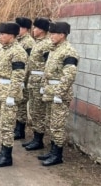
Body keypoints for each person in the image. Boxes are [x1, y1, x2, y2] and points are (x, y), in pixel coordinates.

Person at [0, 22, 27, 168]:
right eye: (0, 34)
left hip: (8, 93)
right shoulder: (3, 50)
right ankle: (3, 152)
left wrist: (12, 96)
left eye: (4, 34)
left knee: (7, 125)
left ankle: (7, 156)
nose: (1, 37)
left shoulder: (18, 52)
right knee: (0, 123)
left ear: (12, 36)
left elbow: (18, 76)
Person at [38, 21, 79, 166]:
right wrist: (44, 86)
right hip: (50, 91)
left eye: (54, 33)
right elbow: (48, 71)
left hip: (59, 95)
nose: (51, 36)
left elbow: (69, 75)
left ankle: (57, 155)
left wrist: (59, 94)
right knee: (50, 122)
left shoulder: (69, 51)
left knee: (57, 125)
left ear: (62, 35)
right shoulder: (55, 49)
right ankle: (52, 150)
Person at [22, 17, 53, 151]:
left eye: (35, 28)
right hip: (33, 82)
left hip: (39, 82)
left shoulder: (46, 44)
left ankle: (38, 139)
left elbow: (48, 65)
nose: (33, 30)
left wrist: (44, 85)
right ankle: (35, 137)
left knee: (39, 112)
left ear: (42, 30)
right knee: (34, 110)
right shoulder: (37, 43)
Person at [14, 16, 36, 140]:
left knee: (22, 104)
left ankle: (20, 130)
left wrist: (23, 79)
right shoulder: (19, 40)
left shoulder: (28, 42)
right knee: (18, 103)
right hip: (19, 77)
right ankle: (17, 127)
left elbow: (28, 63)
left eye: (20, 27)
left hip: (25, 78)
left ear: (26, 29)